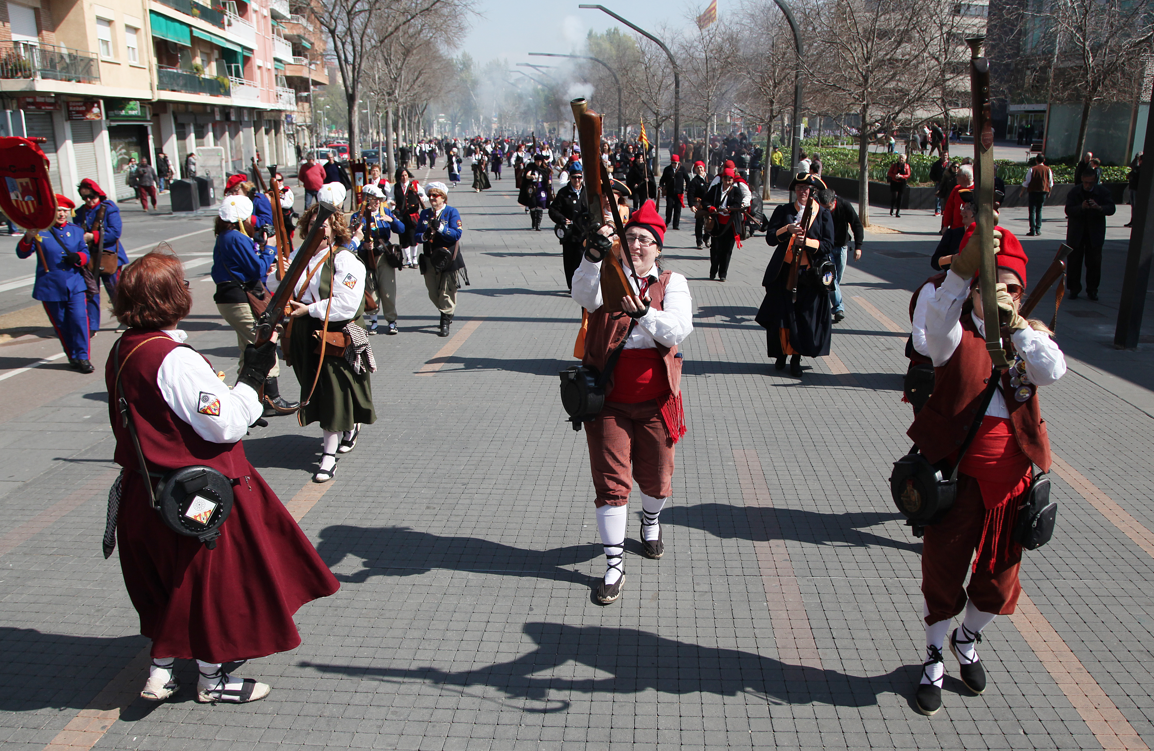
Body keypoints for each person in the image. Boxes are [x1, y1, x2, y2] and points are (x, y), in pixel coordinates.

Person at [104, 250, 338, 705]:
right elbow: (227, 423)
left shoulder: (124, 347)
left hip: (148, 491)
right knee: (212, 583)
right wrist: (252, 381)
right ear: (169, 297)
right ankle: (211, 680)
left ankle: (163, 664)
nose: (189, 290)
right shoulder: (174, 359)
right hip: (197, 495)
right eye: (181, 285)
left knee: (173, 583)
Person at [909, 224, 1066, 716]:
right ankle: (934, 655)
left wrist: (1014, 320)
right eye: (988, 285)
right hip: (957, 483)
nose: (996, 295)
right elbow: (931, 325)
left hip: (1011, 485)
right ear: (973, 290)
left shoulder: (1029, 339)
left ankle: (967, 638)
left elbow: (1052, 371)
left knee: (998, 583)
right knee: (942, 575)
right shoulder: (953, 336)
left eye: (1010, 287)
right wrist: (960, 273)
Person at [570, 200, 693, 605]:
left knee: (657, 479)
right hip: (608, 400)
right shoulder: (608, 275)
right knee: (610, 485)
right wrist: (591, 256)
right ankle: (613, 564)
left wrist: (644, 314)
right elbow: (583, 296)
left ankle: (652, 520)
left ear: (658, 248)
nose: (637, 246)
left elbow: (677, 329)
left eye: (645, 240)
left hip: (658, 400)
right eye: (631, 239)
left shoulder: (672, 283)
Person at [280, 187, 377, 482]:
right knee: (318, 392)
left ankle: (327, 457)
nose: (316, 231)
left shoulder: (345, 261)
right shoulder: (300, 255)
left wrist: (308, 311)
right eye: (312, 225)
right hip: (305, 334)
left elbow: (347, 305)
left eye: (322, 226)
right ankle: (349, 427)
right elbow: (286, 289)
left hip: (334, 335)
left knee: (332, 394)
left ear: (334, 229)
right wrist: (281, 272)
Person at [211, 194, 296, 415]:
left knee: (247, 348)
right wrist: (268, 249)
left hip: (230, 297)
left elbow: (250, 267)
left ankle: (245, 398)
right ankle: (270, 398)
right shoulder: (235, 237)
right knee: (263, 343)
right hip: (238, 298)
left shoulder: (225, 236)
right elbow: (257, 269)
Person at [756, 172, 835, 377]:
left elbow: (828, 245)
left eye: (807, 189)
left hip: (809, 275)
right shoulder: (784, 211)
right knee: (781, 317)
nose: (803, 192)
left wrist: (806, 243)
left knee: (801, 318)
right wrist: (787, 230)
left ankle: (796, 358)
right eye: (799, 188)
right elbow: (771, 238)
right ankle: (782, 353)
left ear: (812, 192)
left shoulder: (823, 214)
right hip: (784, 272)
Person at [16, 195, 93, 373]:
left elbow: (85, 253)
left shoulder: (76, 230)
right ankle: (72, 355)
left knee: (80, 320)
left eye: (65, 211)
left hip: (74, 284)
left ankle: (83, 357)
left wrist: (79, 258)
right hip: (51, 286)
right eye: (58, 210)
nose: (62, 214)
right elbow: (22, 253)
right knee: (62, 324)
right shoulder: (40, 232)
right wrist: (28, 236)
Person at [74, 179, 127, 334]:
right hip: (89, 257)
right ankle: (92, 326)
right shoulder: (80, 213)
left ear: (98, 194)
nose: (89, 201)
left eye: (91, 196)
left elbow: (115, 232)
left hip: (108, 256)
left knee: (115, 290)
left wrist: (93, 236)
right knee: (91, 292)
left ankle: (124, 320)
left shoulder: (109, 209)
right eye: (85, 198)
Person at [354, 184, 406, 335]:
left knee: (387, 289)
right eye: (374, 199)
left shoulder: (386, 212)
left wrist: (392, 221)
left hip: (384, 255)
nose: (377, 202)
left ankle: (391, 320)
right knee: (371, 288)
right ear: (366, 199)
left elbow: (401, 229)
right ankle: (374, 320)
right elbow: (351, 234)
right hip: (367, 255)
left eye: (379, 199)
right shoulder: (358, 216)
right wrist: (363, 245)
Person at [416, 182, 466, 337]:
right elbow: (416, 234)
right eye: (430, 195)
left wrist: (441, 228)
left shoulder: (451, 212)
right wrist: (424, 235)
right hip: (430, 257)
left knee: (446, 291)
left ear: (443, 198)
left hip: (447, 257)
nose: (431, 198)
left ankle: (444, 320)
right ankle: (447, 311)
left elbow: (457, 234)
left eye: (435, 195)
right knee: (432, 291)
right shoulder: (425, 213)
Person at [1065, 167, 1116, 301]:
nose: (1088, 185)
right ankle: (1073, 288)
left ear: (1095, 181)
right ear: (1082, 179)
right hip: (1077, 233)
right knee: (1074, 262)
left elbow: (1111, 208)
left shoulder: (1102, 192)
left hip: (1094, 234)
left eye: (1091, 183)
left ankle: (1092, 289)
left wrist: (1099, 208)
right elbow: (1068, 210)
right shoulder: (1075, 192)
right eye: (1086, 182)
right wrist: (1081, 207)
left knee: (1094, 263)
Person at [816, 188, 864, 324]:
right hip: (826, 248)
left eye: (829, 207)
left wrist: (858, 247)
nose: (827, 211)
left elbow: (857, 225)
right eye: (824, 208)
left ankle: (826, 302)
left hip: (842, 246)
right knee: (832, 278)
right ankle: (838, 309)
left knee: (836, 279)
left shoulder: (844, 206)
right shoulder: (817, 208)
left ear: (834, 201)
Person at [703, 166, 752, 282]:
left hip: (731, 225)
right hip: (717, 224)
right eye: (725, 179)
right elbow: (705, 200)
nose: (727, 181)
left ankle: (723, 274)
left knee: (727, 250)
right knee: (715, 249)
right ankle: (713, 271)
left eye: (730, 179)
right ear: (722, 179)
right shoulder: (715, 189)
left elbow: (737, 204)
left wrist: (730, 209)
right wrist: (710, 208)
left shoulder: (736, 191)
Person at [548, 163, 590, 292]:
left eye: (579, 177)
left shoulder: (587, 192)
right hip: (570, 235)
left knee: (582, 263)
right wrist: (561, 219)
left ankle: (581, 286)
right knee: (570, 263)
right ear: (570, 178)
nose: (577, 180)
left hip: (584, 234)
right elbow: (553, 210)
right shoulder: (563, 193)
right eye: (574, 177)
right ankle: (572, 286)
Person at [393, 168, 427, 269]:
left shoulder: (414, 185)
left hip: (413, 215)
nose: (404, 177)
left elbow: (424, 195)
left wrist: (421, 198)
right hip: (401, 216)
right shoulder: (395, 187)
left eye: (405, 175)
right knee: (403, 237)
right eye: (402, 176)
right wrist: (392, 203)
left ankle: (414, 258)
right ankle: (408, 259)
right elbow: (390, 198)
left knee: (413, 237)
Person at [518, 156, 552, 232]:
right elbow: (527, 175)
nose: (539, 163)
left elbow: (548, 176)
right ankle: (533, 221)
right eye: (537, 161)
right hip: (532, 188)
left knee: (540, 203)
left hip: (541, 188)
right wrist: (531, 176)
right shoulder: (531, 167)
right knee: (532, 205)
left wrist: (549, 183)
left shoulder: (544, 168)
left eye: (540, 161)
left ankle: (538, 225)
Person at [1022, 156, 1053, 236]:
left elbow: (1027, 181)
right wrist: (1049, 192)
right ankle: (1038, 229)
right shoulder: (1048, 169)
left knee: (1032, 211)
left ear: (1036, 160)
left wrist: (1022, 192)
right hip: (1043, 191)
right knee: (1039, 210)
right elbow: (1050, 182)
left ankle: (1032, 229)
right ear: (1044, 160)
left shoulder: (1032, 169)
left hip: (1033, 191)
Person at [940, 165, 973, 232]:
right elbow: (949, 208)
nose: (956, 176)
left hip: (971, 229)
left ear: (965, 176)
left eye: (958, 175)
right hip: (956, 228)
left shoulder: (976, 189)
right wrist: (946, 225)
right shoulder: (956, 189)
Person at [659, 154, 688, 230]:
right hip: (670, 192)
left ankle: (676, 224)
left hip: (679, 192)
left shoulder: (682, 169)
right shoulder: (667, 169)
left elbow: (687, 179)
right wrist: (660, 185)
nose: (674, 164)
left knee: (677, 209)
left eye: (675, 163)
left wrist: (687, 188)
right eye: (672, 163)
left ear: (678, 162)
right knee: (669, 207)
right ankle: (667, 221)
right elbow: (662, 179)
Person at [687, 161, 711, 250]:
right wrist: (692, 205)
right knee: (699, 223)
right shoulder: (695, 181)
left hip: (710, 204)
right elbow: (690, 194)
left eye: (701, 167)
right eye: (698, 168)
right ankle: (699, 241)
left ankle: (707, 238)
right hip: (700, 205)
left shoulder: (710, 177)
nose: (700, 169)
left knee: (710, 222)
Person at [1125, 152, 1142, 228]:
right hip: (1132, 188)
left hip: (1136, 188)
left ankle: (1135, 221)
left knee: (1135, 206)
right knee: (1133, 206)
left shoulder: (1142, 169)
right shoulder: (1136, 167)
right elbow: (1131, 167)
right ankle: (1132, 220)